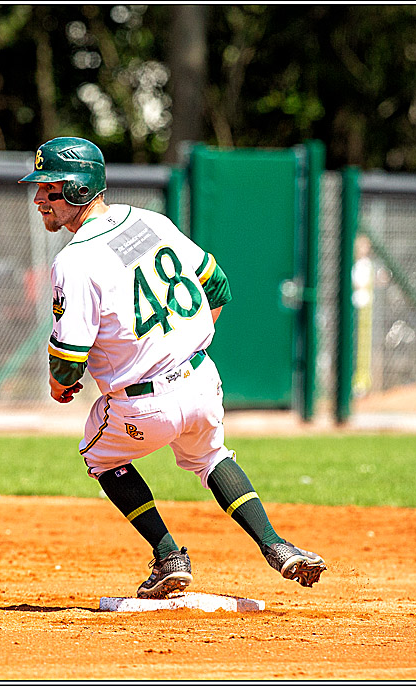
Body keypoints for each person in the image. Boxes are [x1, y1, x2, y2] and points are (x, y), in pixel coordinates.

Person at [19, 137, 326, 599]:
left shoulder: (75, 260)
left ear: (81, 190)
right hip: (203, 381)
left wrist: (60, 387)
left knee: (98, 455)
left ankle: (168, 556)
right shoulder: (148, 221)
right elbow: (218, 286)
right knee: (210, 457)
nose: (39, 197)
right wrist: (177, 347)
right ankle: (276, 545)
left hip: (143, 404)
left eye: (51, 188)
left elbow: (67, 362)